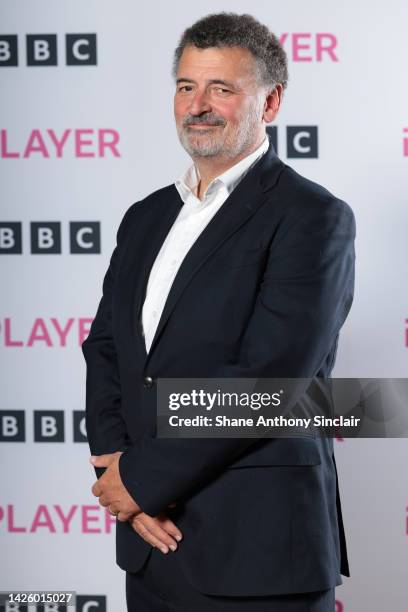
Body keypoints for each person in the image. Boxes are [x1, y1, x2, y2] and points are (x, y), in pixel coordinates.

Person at [82, 12, 355, 612]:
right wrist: (113, 464)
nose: (197, 105)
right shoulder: (145, 216)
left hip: (257, 547)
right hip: (150, 544)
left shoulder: (313, 218)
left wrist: (142, 481)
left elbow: (270, 380)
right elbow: (106, 346)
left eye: (221, 89)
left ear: (271, 101)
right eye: (186, 87)